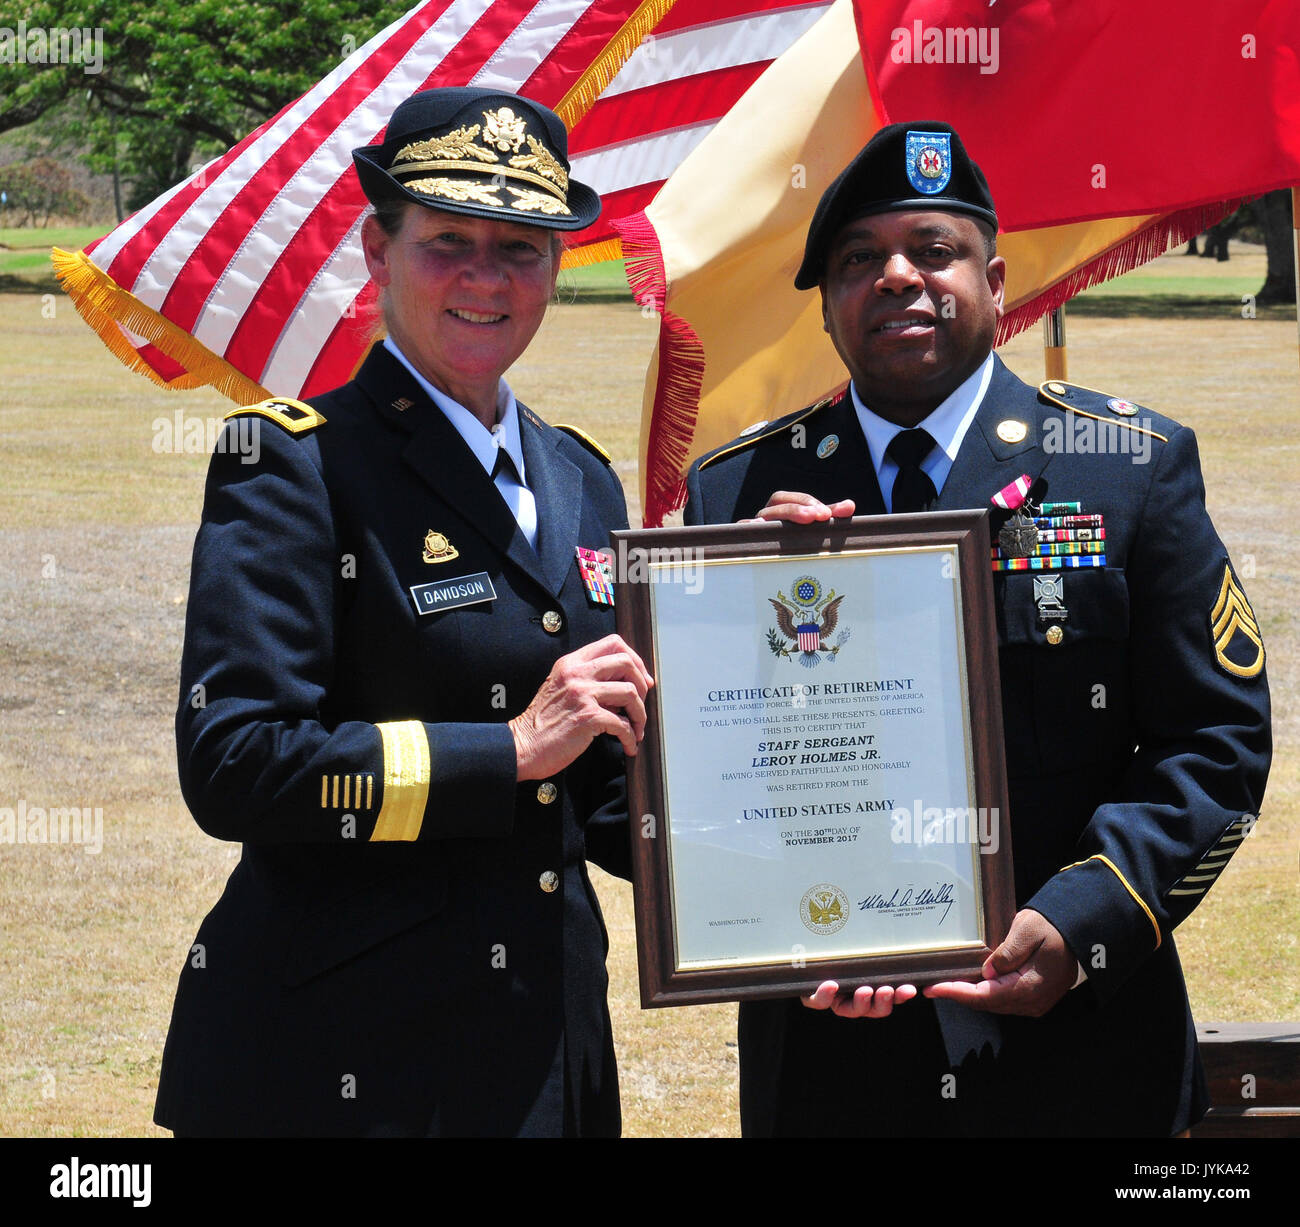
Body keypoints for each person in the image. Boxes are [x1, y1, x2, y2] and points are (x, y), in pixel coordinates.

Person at [684, 121, 1270, 1136]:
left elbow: (1215, 743)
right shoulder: (733, 495)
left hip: (1085, 1049)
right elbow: (698, 771)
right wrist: (740, 611)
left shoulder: (1125, 467)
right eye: (860, 261)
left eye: (932, 249)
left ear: (995, 281)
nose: (899, 277)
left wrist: (1079, 922)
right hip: (833, 1061)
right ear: (825, 308)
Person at [154, 87, 652, 1137]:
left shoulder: (581, 480)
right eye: (448, 242)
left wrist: (802, 884)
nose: (485, 276)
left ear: (558, 268)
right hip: (347, 1059)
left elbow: (605, 791)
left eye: (521, 247)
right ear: (378, 254)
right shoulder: (294, 463)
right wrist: (506, 749)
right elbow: (236, 762)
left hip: (544, 1056)